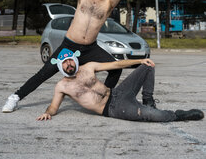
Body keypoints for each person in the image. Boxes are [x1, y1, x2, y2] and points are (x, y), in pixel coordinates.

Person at [2, 0, 124, 113]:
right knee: (44, 73)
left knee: (116, 68)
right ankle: (15, 97)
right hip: (69, 46)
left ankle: (105, 100)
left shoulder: (108, 4)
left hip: (90, 48)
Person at [36, 49, 204, 123]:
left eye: (70, 60)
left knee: (148, 66)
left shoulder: (88, 67)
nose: (69, 64)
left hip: (118, 92)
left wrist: (140, 60)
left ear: (75, 59)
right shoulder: (62, 86)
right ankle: (177, 115)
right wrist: (47, 113)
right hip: (113, 109)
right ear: (60, 66)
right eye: (65, 63)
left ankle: (148, 100)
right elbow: (53, 107)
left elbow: (116, 65)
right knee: (153, 116)